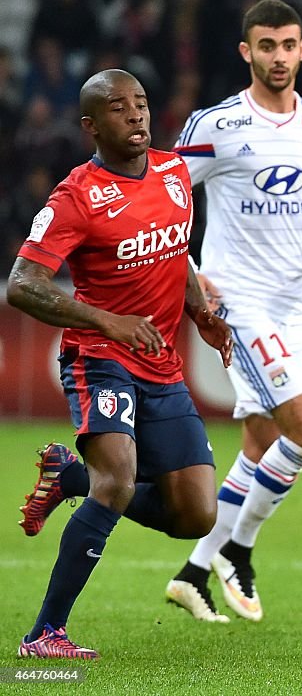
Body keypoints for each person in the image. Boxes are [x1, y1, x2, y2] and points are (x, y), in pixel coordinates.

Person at [164, 0, 302, 623]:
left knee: (264, 435)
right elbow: (166, 196)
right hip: (238, 300)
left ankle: (192, 573)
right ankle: (237, 548)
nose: (279, 57)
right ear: (247, 52)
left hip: (296, 300)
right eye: (267, 46)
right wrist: (189, 274)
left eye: (289, 45)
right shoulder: (217, 126)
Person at [9, 68, 233, 659]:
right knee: (118, 481)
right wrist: (106, 321)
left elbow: (176, 249)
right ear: (91, 126)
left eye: (139, 104)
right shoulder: (75, 197)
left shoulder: (174, 172)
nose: (135, 115)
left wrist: (201, 311)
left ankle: (70, 476)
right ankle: (45, 634)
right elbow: (22, 286)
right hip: (99, 357)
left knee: (196, 515)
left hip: (159, 364)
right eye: (117, 107)